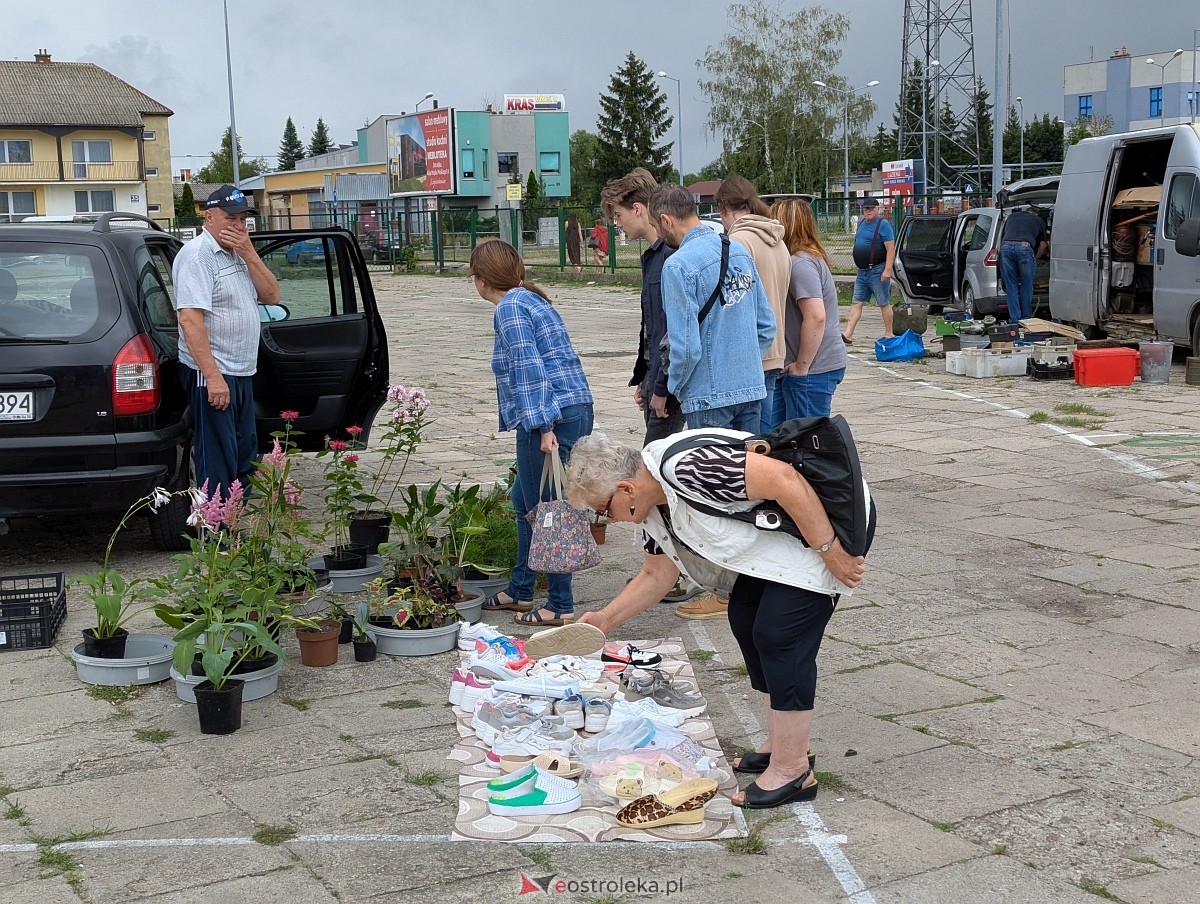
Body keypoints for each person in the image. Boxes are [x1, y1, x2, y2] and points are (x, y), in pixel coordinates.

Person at [565, 431, 869, 809]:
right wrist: (604, 620)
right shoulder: (654, 509)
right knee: (745, 616)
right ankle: (783, 745)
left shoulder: (686, 468)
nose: (607, 519)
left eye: (603, 509)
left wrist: (832, 552)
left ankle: (793, 771)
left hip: (821, 525)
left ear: (626, 489)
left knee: (779, 635)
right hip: (778, 542)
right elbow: (657, 576)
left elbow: (785, 480)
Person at [468, 240, 594, 628]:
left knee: (548, 509)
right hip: (571, 408)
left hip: (550, 417)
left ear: (481, 279)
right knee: (524, 497)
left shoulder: (511, 309)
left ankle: (560, 604)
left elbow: (528, 368)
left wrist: (543, 428)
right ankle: (521, 589)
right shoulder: (530, 299)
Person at [600, 168, 697, 606]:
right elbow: (650, 329)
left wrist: (659, 387)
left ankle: (666, 572)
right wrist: (643, 375)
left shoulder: (667, 258)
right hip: (660, 383)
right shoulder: (656, 255)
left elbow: (669, 333)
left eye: (619, 216)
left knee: (654, 481)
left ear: (640, 209)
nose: (617, 225)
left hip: (670, 391)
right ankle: (663, 569)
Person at [172, 184, 280, 501]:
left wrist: (249, 253)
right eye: (230, 218)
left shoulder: (238, 253)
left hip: (241, 370)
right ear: (209, 217)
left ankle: (232, 529)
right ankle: (215, 537)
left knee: (244, 455)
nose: (238, 225)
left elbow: (272, 295)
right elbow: (190, 321)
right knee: (217, 461)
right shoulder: (197, 257)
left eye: (243, 218)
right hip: (214, 374)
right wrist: (213, 378)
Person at [648, 182, 775, 433]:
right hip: (749, 388)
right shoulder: (738, 252)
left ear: (666, 220)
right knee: (746, 471)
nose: (659, 235)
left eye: (655, 227)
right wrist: (742, 365)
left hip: (707, 395)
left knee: (713, 472)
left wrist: (674, 387)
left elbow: (685, 347)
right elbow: (766, 326)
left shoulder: (677, 266)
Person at [715, 176, 792, 432]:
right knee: (762, 438)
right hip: (775, 349)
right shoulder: (778, 240)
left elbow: (733, 301)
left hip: (749, 353)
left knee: (744, 446)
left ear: (724, 207)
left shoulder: (738, 243)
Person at [771, 197, 848, 417]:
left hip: (813, 369)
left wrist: (802, 366)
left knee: (805, 442)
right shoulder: (807, 258)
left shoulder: (800, 263)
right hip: (813, 367)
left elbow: (816, 316)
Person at [841, 198, 895, 344]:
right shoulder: (861, 223)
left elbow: (891, 248)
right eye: (865, 209)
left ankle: (889, 334)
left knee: (883, 302)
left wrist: (887, 270)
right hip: (862, 271)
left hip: (877, 270)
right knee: (856, 302)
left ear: (878, 209)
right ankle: (848, 334)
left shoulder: (883, 225)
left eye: (871, 208)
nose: (868, 211)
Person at [999, 207, 1049, 323]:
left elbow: (1003, 237)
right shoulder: (1038, 221)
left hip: (1005, 248)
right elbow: (1043, 246)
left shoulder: (1011, 217)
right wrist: (1035, 258)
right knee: (1027, 285)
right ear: (1035, 213)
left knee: (1012, 286)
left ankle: (1015, 320)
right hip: (1024, 248)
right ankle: (1026, 319)